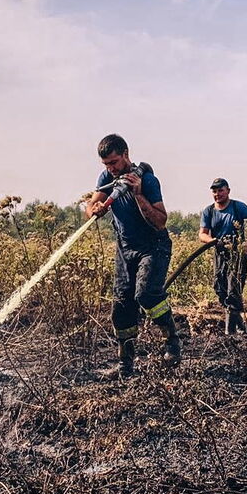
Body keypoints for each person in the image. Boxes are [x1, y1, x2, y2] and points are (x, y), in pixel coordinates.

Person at [85, 134, 180, 378]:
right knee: (121, 305)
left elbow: (160, 221)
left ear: (126, 154)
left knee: (146, 295)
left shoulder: (148, 180)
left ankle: (171, 340)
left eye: (114, 162)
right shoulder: (107, 178)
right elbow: (92, 204)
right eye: (106, 164)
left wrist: (138, 195)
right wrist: (94, 208)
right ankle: (126, 363)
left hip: (153, 245)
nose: (111, 168)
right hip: (125, 248)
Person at [198, 178, 247, 334]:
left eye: (220, 190)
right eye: (214, 191)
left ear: (228, 191)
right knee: (220, 290)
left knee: (233, 293)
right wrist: (212, 241)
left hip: (237, 256)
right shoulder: (208, 211)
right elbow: (202, 234)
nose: (217, 194)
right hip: (219, 255)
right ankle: (241, 326)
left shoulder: (238, 207)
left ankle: (229, 334)